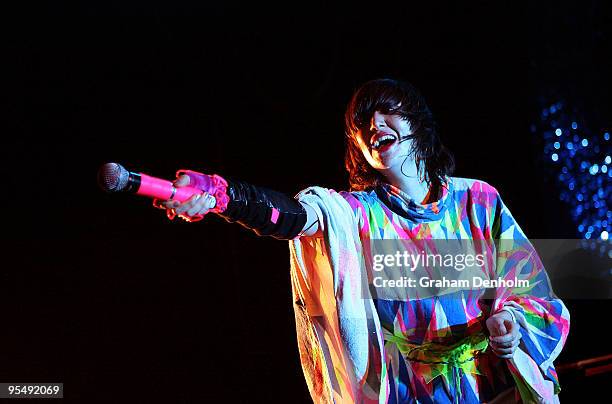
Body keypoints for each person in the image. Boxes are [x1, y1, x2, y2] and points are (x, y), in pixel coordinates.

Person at [155, 79, 570, 403]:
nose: (373, 126)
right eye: (362, 123)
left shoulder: (478, 200)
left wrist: (511, 323)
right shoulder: (354, 215)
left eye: (386, 112)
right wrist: (223, 196)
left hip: (491, 393)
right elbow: (296, 216)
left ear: (418, 123)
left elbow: (530, 287)